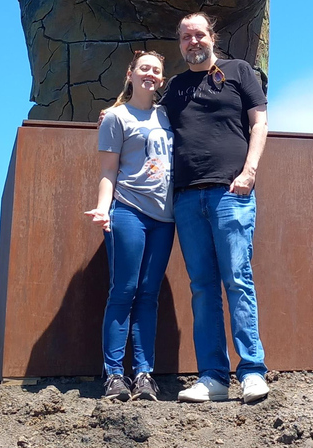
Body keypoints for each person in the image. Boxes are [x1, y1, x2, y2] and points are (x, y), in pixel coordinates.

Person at [164, 12, 270, 403]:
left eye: (199, 34)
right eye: (185, 37)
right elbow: (147, 118)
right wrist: (117, 110)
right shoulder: (174, 88)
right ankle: (213, 377)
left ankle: (253, 371)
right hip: (188, 198)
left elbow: (259, 123)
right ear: (180, 44)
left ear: (213, 37)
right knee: (202, 288)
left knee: (237, 280)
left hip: (231, 193)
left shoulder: (239, 72)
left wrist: (250, 171)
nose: (193, 42)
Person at [85, 50, 175, 401]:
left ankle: (144, 374)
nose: (149, 74)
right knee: (124, 291)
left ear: (161, 80)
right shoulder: (116, 118)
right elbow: (108, 171)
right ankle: (114, 375)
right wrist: (103, 209)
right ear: (131, 74)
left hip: (165, 218)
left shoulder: (168, 116)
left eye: (156, 70)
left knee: (149, 295)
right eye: (144, 69)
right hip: (128, 211)